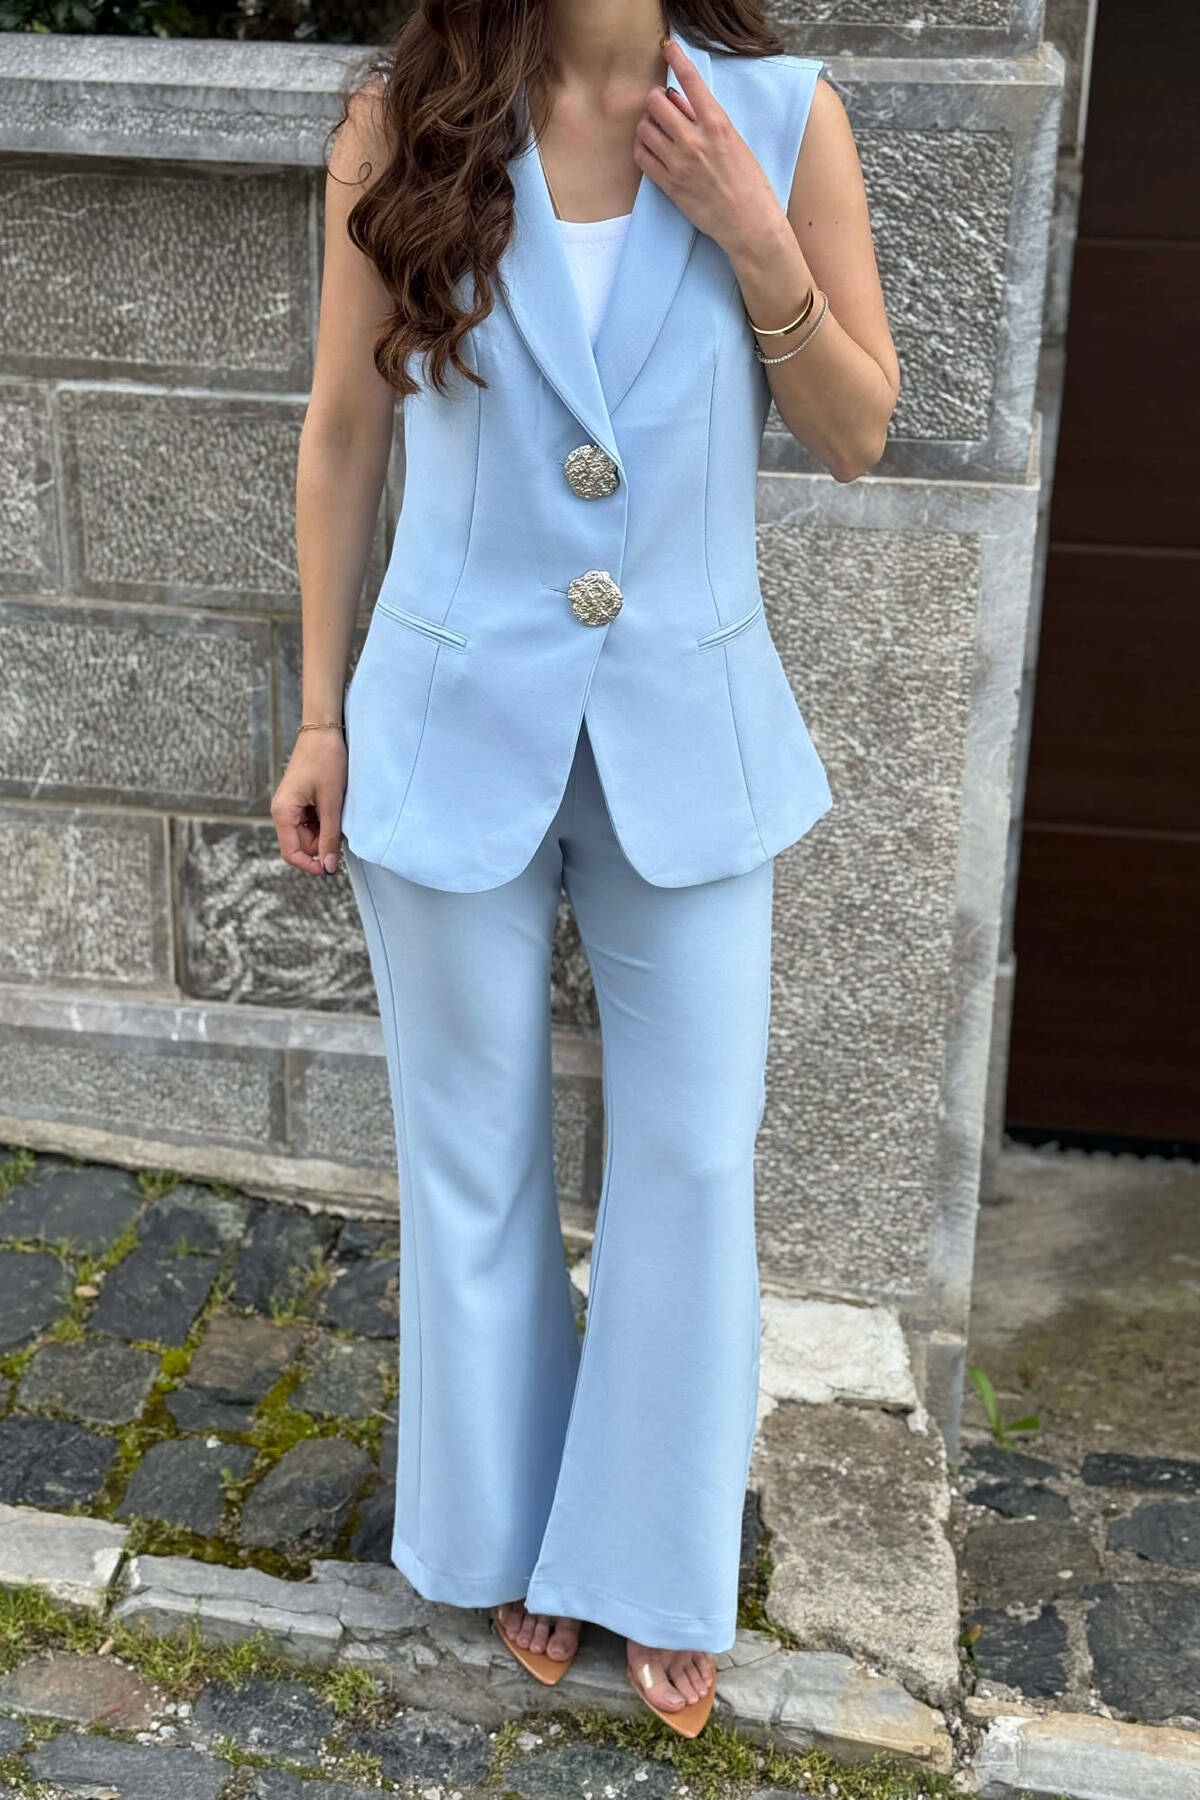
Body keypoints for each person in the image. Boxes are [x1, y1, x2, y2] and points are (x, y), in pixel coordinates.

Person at [272, 0, 899, 1739]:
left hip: (688, 733)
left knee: (691, 1155)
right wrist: (318, 714)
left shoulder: (784, 120)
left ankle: (650, 1558)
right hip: (442, 718)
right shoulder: (406, 119)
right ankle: (511, 1535)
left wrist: (756, 241)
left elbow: (858, 431)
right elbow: (344, 431)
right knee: (470, 1157)